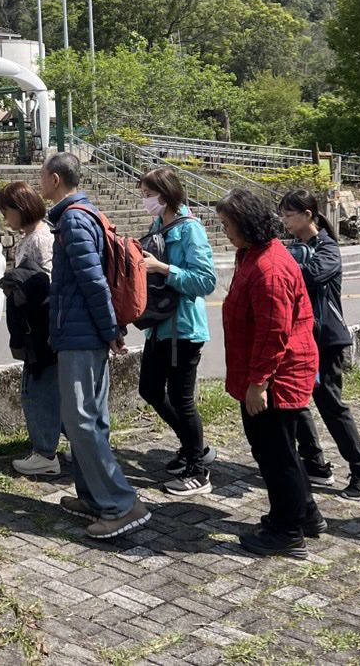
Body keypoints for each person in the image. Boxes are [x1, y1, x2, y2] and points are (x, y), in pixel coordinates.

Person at [38, 151, 153, 539]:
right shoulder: (81, 215)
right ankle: (94, 497)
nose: (39, 182)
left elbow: (93, 283)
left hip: (82, 336)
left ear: (56, 179)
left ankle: (121, 504)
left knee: (81, 420)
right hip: (84, 333)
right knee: (90, 419)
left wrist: (109, 330)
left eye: (42, 176)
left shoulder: (73, 220)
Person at [217, 187, 322, 559]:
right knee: (280, 450)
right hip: (269, 370)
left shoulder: (270, 268)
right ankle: (305, 514)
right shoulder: (253, 254)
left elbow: (273, 332)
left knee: (275, 454)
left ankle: (287, 531)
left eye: (227, 224)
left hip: (277, 374)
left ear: (246, 223)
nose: (224, 231)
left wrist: (259, 383)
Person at [279, 189, 360, 501]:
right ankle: (314, 463)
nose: (284, 221)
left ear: (307, 215)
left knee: (330, 404)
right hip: (300, 336)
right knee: (295, 400)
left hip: (327, 338)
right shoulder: (294, 247)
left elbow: (309, 276)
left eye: (288, 215)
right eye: (282, 215)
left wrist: (280, 269)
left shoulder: (327, 248)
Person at [136, 167, 218, 497]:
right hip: (158, 327)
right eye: (142, 195)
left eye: (148, 195)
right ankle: (193, 446)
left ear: (166, 194)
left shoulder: (189, 229)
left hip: (183, 329)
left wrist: (162, 268)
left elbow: (205, 281)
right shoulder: (158, 224)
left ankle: (198, 470)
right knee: (150, 389)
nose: (144, 201)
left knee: (182, 399)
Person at [0, 180, 60, 477]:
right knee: (44, 389)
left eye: (6, 211)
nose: (5, 217)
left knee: (37, 392)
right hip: (36, 328)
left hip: (40, 330)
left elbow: (47, 283)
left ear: (20, 208)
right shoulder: (32, 235)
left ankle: (45, 453)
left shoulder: (40, 239)